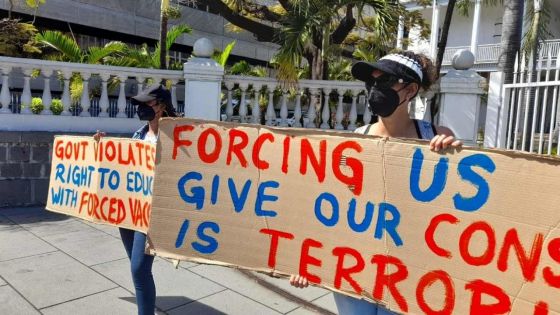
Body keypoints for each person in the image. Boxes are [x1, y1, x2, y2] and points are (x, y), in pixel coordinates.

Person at [289, 51, 462, 314]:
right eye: (371, 82)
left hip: (409, 269)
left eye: (386, 81)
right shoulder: (356, 140)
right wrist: (309, 261)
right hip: (355, 264)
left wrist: (455, 157)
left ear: (410, 90)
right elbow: (336, 206)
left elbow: (458, 205)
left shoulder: (437, 137)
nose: (374, 89)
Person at [94, 84, 177, 315]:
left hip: (151, 212)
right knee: (137, 269)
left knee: (139, 269)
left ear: (162, 105)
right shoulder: (139, 135)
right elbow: (123, 167)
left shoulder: (177, 136)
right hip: (128, 211)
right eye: (140, 104)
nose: (141, 108)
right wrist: (102, 146)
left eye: (147, 103)